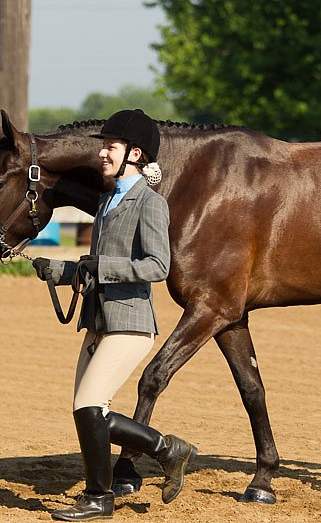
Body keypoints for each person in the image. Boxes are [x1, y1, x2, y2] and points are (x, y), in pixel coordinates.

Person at [33, 109, 196, 521]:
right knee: (87, 412)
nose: (102, 153)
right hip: (98, 318)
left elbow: (157, 266)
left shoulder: (151, 204)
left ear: (135, 154)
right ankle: (165, 451)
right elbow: (96, 266)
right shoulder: (107, 201)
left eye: (111, 146)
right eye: (105, 145)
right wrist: (60, 269)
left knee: (91, 407)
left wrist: (101, 268)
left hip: (131, 320)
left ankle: (101, 496)